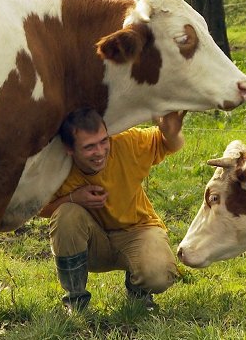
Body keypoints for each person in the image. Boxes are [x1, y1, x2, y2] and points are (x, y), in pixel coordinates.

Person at [39, 107, 186, 312]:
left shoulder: (126, 143)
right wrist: (74, 198)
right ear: (69, 149)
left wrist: (172, 132)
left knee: (159, 276)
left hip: (137, 230)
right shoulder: (57, 168)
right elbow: (38, 209)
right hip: (92, 242)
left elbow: (171, 144)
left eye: (103, 141)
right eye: (89, 147)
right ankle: (76, 302)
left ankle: (138, 292)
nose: (99, 152)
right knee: (66, 213)